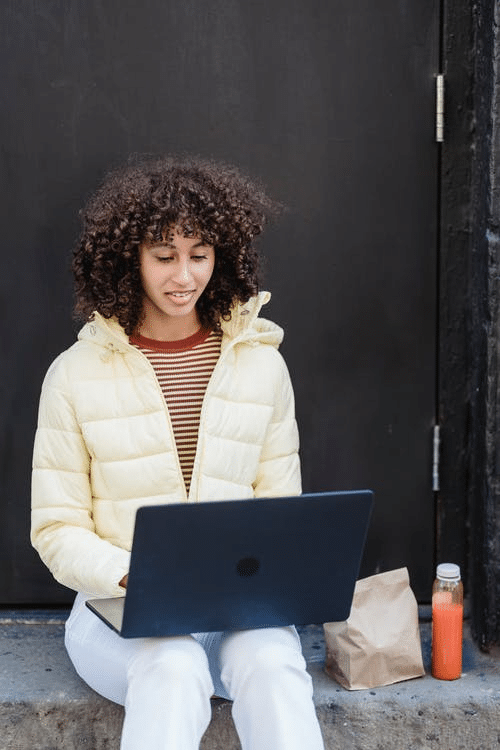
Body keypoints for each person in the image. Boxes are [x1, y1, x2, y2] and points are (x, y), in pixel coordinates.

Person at [31, 156, 325, 750]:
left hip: (235, 611)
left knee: (273, 662)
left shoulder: (262, 363)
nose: (183, 275)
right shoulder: (73, 375)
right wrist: (134, 574)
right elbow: (57, 527)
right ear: (129, 260)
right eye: (164, 257)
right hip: (120, 614)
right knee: (173, 667)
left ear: (222, 258)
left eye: (200, 254)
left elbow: (278, 508)